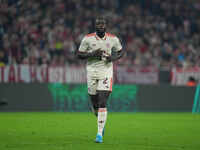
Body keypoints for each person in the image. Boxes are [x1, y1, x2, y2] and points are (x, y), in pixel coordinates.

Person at [77, 16, 123, 143]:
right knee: (95, 103)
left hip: (106, 72)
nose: (101, 26)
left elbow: (120, 52)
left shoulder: (113, 39)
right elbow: (79, 54)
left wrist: (112, 58)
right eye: (98, 24)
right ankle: (99, 119)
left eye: (103, 24)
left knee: (103, 101)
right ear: (95, 26)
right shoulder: (87, 39)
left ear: (106, 26)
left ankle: (99, 134)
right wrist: (92, 54)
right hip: (91, 72)